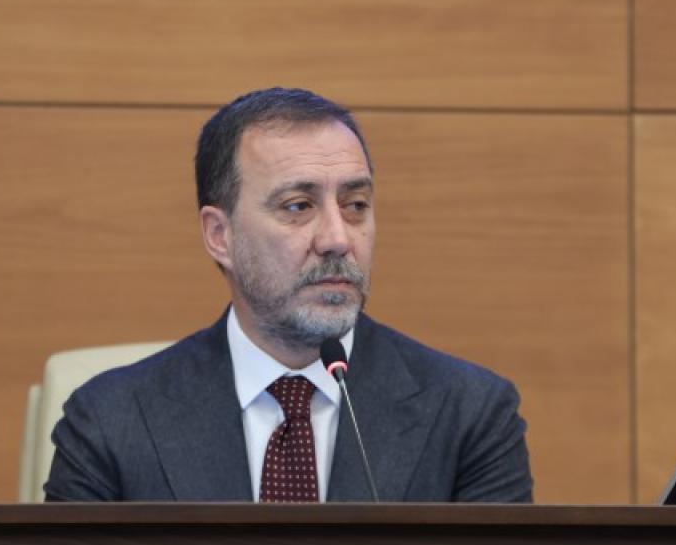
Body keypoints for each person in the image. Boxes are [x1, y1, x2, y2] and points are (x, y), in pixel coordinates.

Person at [45, 87, 533, 503]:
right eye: (298, 206)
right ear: (220, 235)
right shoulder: (110, 421)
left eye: (355, 205)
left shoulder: (470, 415)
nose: (338, 239)